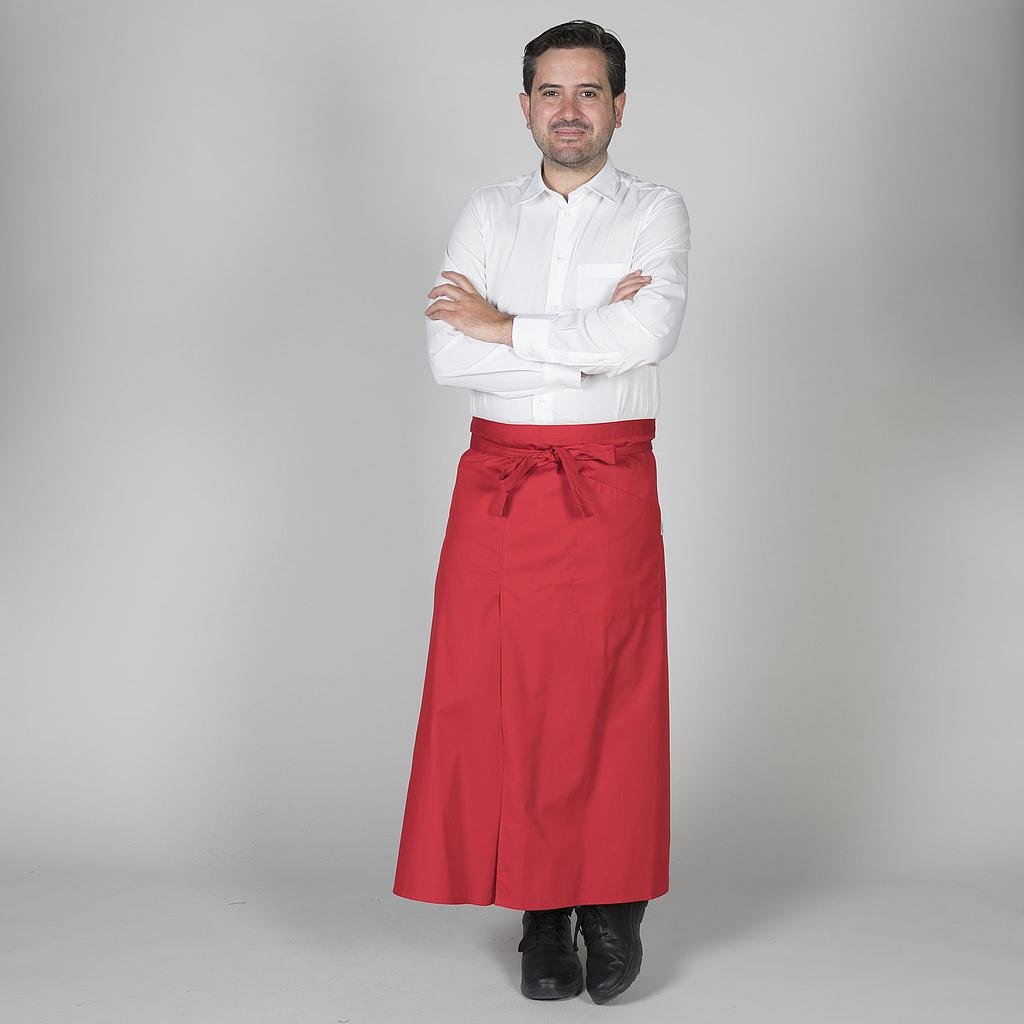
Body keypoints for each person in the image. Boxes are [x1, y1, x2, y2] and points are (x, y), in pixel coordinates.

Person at [392, 19, 691, 1004]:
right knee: (503, 696)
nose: (569, 110)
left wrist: (505, 327)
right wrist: (585, 339)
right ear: (525, 106)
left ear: (618, 106)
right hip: (500, 482)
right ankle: (542, 910)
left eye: (589, 91)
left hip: (606, 478)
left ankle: (611, 901)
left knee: (608, 694)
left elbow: (651, 332)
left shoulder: (654, 211)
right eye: (551, 92)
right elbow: (449, 357)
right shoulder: (487, 214)